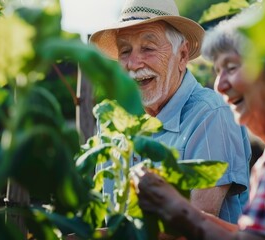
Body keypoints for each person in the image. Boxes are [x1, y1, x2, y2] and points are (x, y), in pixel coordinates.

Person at [131, 11, 265, 240]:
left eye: (231, 68)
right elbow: (251, 233)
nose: (220, 85)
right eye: (218, 71)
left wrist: (175, 208)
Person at [90, 0, 251, 224]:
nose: (133, 63)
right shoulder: (112, 122)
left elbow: (195, 225)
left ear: (183, 56)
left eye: (148, 48)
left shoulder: (210, 114)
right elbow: (104, 212)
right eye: (125, 51)